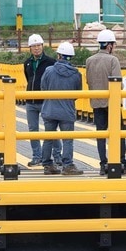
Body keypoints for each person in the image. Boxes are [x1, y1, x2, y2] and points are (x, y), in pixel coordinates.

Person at [85, 28, 125, 175]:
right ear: (109, 45)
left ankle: (103, 163)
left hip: (96, 102)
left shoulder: (89, 60)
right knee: (118, 133)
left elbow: (88, 80)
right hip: (112, 103)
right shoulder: (113, 60)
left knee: (101, 134)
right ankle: (121, 162)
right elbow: (118, 83)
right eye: (114, 45)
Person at [39, 41, 82, 175]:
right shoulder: (76, 74)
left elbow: (43, 88)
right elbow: (77, 93)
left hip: (49, 109)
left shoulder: (48, 71)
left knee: (48, 138)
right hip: (67, 111)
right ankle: (67, 165)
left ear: (58, 56)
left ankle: (47, 164)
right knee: (67, 139)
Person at [20, 33, 54, 168]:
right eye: (33, 46)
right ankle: (36, 156)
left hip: (45, 100)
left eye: (38, 45)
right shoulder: (27, 63)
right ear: (29, 48)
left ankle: (56, 156)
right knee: (32, 129)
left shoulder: (50, 62)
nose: (36, 48)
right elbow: (29, 79)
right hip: (31, 102)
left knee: (50, 129)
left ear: (42, 46)